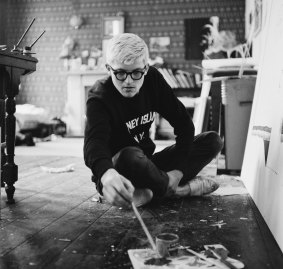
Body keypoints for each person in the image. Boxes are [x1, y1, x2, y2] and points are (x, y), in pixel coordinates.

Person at [84, 33, 223, 209]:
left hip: (148, 166)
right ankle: (180, 191)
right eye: (119, 73)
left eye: (136, 73)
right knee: (130, 155)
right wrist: (106, 174)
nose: (128, 81)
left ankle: (152, 190)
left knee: (212, 141)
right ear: (108, 68)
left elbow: (184, 124)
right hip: (117, 173)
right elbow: (93, 144)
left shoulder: (153, 80)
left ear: (146, 69)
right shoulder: (99, 95)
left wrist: (178, 171)